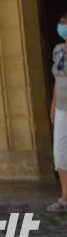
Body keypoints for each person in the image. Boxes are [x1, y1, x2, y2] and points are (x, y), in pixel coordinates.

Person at [52, 11, 67, 212]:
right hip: (61, 108)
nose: (62, 25)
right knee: (60, 153)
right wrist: (53, 107)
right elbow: (57, 80)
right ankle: (65, 195)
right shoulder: (58, 50)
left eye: (64, 22)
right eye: (61, 22)